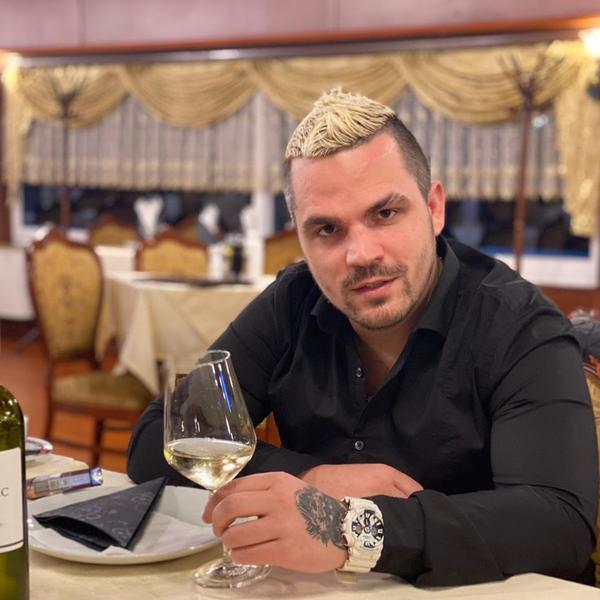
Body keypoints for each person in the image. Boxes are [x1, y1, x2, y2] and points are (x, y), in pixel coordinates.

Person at [127, 89, 597, 586]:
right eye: (327, 230)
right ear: (300, 239)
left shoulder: (519, 324)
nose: (361, 254)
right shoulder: (292, 302)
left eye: (385, 214)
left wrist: (346, 528)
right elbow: (155, 441)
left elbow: (557, 525)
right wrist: (313, 477)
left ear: (434, 208)